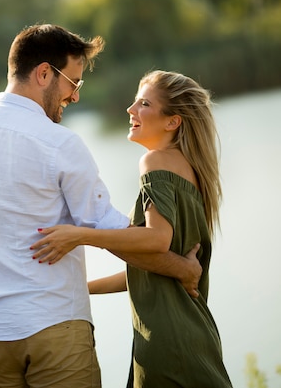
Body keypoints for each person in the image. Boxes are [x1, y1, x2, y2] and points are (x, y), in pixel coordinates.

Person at [0, 23, 134, 387]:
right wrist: (170, 255)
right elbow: (105, 225)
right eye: (74, 82)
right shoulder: (59, 142)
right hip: (53, 325)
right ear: (44, 73)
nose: (74, 96)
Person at [31, 70, 232, 387]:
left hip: (167, 341)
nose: (130, 110)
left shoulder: (156, 162)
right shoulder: (190, 170)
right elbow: (149, 270)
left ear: (172, 122)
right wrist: (79, 288)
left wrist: (81, 235)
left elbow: (156, 239)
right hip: (191, 335)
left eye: (144, 104)